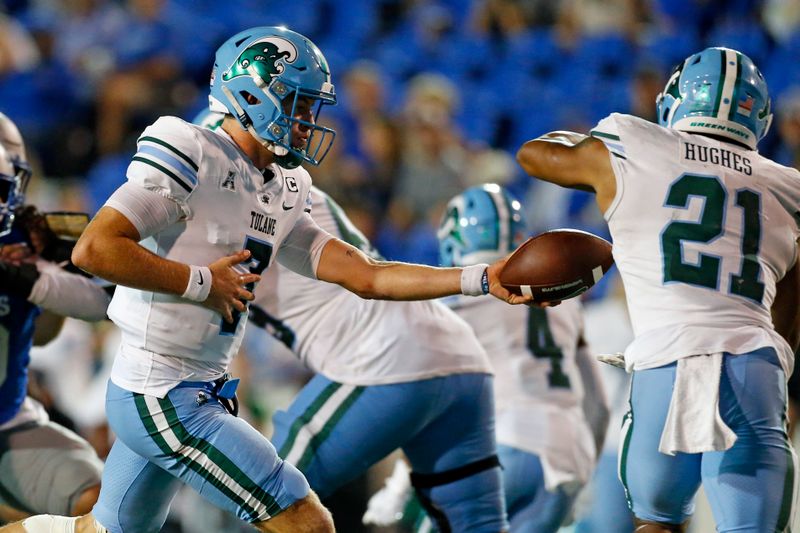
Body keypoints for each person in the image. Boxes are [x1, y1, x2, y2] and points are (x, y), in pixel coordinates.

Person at [3, 26, 529, 533]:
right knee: (306, 520)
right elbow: (98, 249)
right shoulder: (190, 147)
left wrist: (482, 277)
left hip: (198, 385)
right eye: (298, 105)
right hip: (161, 389)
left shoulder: (285, 185)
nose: (307, 122)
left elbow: (367, 275)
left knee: (98, 529)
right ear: (252, 96)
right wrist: (201, 283)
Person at [515, 46, 800, 533]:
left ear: (676, 98)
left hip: (663, 366)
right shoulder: (789, 186)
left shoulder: (634, 141)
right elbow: (791, 311)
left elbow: (535, 155)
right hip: (754, 365)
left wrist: (578, 139)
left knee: (655, 523)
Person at [250, 184, 507, 533]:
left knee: (263, 493)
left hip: (380, 354)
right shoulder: (284, 186)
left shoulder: (236, 192)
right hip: (460, 355)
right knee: (476, 524)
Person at [362, 184, 610, 533]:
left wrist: (398, 486)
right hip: (569, 455)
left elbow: (422, 407)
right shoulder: (564, 304)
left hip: (504, 446)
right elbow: (597, 405)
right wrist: (583, 474)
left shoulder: (455, 302)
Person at [0, 112, 110, 524]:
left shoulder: (19, 247)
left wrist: (42, 279)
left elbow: (44, 335)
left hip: (8, 421)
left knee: (102, 506)